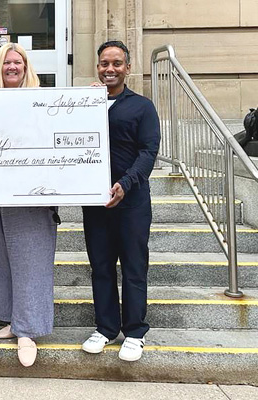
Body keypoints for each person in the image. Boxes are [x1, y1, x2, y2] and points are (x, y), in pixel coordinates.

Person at [80, 40, 160, 362]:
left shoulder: (142, 107)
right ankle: (105, 328)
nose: (109, 69)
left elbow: (148, 151)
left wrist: (125, 184)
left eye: (116, 63)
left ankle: (135, 332)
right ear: (97, 67)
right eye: (104, 64)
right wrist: (81, 103)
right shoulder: (87, 104)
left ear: (127, 67)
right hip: (96, 202)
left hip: (132, 202)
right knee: (100, 266)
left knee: (133, 266)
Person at [0, 42, 58, 368]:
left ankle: (28, 330)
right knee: (0, 256)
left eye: (19, 63)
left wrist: (93, 100)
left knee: (31, 256)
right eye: (7, 63)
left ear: (27, 67)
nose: (13, 67)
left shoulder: (44, 101)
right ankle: (13, 320)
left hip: (32, 191)